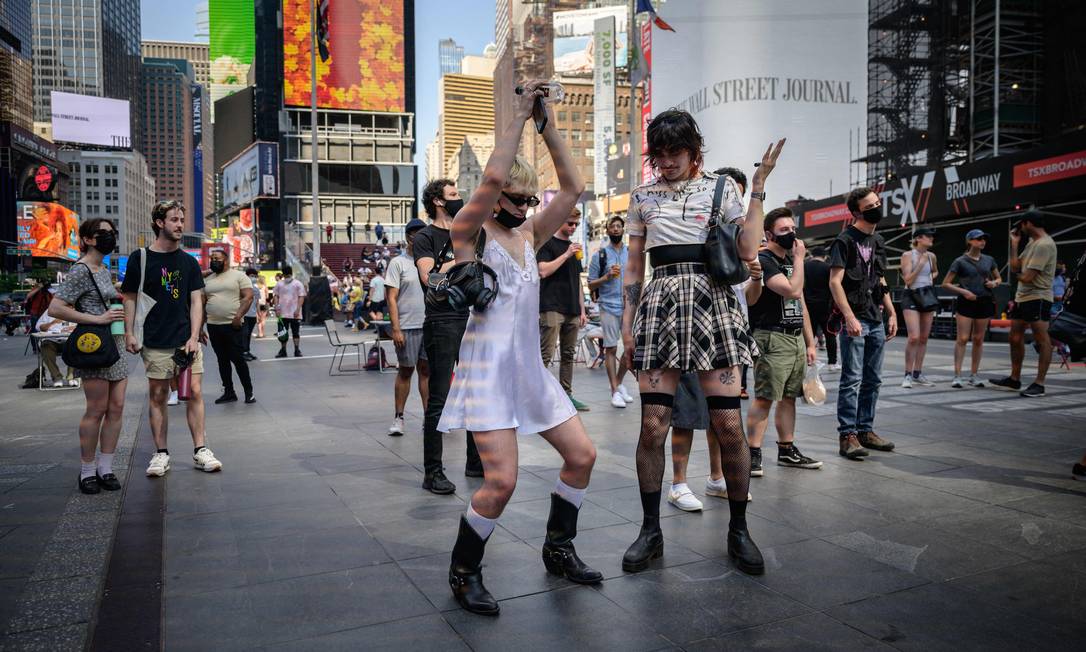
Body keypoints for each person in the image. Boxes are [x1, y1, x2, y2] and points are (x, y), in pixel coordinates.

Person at [440, 80, 600, 616]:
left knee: (582, 456)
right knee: (501, 482)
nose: (526, 205)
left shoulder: (530, 235)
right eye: (517, 197)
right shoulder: (469, 232)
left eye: (530, 199)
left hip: (529, 369)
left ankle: (558, 548)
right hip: (486, 371)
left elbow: (574, 190)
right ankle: (464, 572)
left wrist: (547, 119)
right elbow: (489, 177)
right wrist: (515, 117)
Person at [620, 108, 785, 577]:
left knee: (729, 426)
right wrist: (626, 325)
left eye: (676, 153)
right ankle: (650, 530)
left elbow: (749, 251)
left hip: (713, 304)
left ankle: (739, 529)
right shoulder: (642, 196)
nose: (667, 162)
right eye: (660, 154)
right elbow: (635, 266)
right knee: (653, 424)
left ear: (695, 151)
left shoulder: (721, 188)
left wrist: (758, 187)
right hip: (659, 303)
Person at [122, 201, 222, 477]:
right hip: (154, 340)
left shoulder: (188, 262)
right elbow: (129, 297)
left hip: (184, 341)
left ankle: (201, 449)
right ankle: (161, 453)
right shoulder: (140, 258)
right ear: (159, 222)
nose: (179, 225)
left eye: (181, 219)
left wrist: (193, 335)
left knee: (196, 393)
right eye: (174, 220)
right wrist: (129, 332)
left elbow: (196, 301)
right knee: (158, 396)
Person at [48, 219, 129, 493]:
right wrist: (98, 318)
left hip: (115, 344)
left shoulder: (103, 268)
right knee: (96, 409)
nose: (109, 237)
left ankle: (106, 467)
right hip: (95, 347)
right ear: (87, 239)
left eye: (111, 232)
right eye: (102, 233)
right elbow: (55, 308)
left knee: (116, 408)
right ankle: (87, 470)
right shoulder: (80, 269)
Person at [414, 178, 483, 493]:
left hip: (472, 318)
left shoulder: (469, 232)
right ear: (438, 201)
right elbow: (431, 278)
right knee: (439, 398)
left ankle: (474, 460)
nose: (460, 198)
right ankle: (433, 472)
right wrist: (464, 261)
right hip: (442, 319)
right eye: (454, 195)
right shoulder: (426, 236)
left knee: (473, 394)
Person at [745, 208, 822, 476]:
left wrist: (810, 342)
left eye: (793, 228)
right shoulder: (764, 260)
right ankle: (752, 454)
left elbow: (800, 304)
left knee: (789, 397)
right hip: (771, 337)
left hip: (794, 337)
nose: (791, 234)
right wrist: (799, 259)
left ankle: (786, 449)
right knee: (766, 397)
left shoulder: (790, 260)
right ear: (769, 234)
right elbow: (792, 289)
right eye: (784, 230)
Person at [828, 187, 898, 460]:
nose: (877, 208)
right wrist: (848, 317)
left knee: (873, 379)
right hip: (854, 319)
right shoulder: (845, 240)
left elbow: (880, 280)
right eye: (870, 205)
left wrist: (891, 312)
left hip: (875, 317)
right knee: (851, 379)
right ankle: (848, 436)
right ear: (856, 212)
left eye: (878, 203)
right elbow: (835, 282)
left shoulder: (878, 240)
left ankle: (866, 430)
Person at [991, 210, 1057, 397]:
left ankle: (1039, 383)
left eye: (1022, 225)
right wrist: (1014, 244)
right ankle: (1014, 379)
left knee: (1042, 339)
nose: (1021, 228)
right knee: (1014, 337)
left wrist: (1014, 277)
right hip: (1022, 298)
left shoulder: (1044, 244)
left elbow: (1027, 277)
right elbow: (1014, 266)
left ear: (1028, 223)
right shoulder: (1031, 243)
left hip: (1038, 297)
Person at [538, 207, 589, 411]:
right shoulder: (547, 243)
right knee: (545, 355)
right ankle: (538, 398)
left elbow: (577, 281)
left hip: (572, 309)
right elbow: (542, 270)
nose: (573, 227)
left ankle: (566, 395)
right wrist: (566, 254)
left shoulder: (574, 248)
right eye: (570, 223)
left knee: (569, 355)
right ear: (559, 220)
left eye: (576, 224)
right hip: (551, 306)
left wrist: (582, 310)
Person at [385, 218, 430, 436]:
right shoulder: (398, 263)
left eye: (422, 233)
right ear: (407, 238)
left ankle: (428, 418)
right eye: (414, 234)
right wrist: (396, 328)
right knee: (405, 371)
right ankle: (399, 418)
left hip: (429, 325)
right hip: (407, 326)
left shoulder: (432, 262)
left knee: (426, 372)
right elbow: (391, 298)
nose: (418, 237)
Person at [943, 229, 1001, 388]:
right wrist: (964, 291)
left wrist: (994, 283)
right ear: (969, 241)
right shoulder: (960, 261)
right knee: (962, 338)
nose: (982, 241)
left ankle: (974, 375)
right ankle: (957, 376)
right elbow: (945, 283)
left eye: (983, 239)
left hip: (984, 300)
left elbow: (998, 278)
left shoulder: (989, 260)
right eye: (978, 239)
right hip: (966, 301)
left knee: (978, 339)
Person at [587, 216, 633, 408]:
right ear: (607, 231)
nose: (615, 229)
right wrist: (606, 277)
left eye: (618, 226)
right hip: (608, 305)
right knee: (611, 348)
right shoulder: (600, 255)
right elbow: (590, 283)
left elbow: (636, 277)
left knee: (631, 347)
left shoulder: (631, 253)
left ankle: (619, 383)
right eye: (612, 227)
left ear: (623, 229)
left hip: (628, 306)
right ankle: (614, 391)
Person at [203, 249, 255, 404]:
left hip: (234, 325)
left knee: (238, 359)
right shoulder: (208, 279)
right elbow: (202, 302)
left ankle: (248, 392)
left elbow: (248, 297)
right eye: (211, 258)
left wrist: (238, 316)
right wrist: (200, 328)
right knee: (222, 360)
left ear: (226, 260)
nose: (213, 261)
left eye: (216, 258)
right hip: (213, 325)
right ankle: (229, 392)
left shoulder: (239, 276)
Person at [900, 226, 939, 387]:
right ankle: (907, 374)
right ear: (918, 238)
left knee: (923, 338)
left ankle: (918, 373)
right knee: (914, 337)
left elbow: (936, 272)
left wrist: (930, 277)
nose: (931, 238)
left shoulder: (932, 256)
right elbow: (908, 280)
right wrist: (920, 265)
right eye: (927, 236)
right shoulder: (908, 255)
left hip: (927, 295)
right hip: (911, 295)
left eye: (932, 236)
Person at [36, 312, 77, 387]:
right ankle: (57, 377)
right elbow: (39, 327)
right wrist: (52, 322)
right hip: (52, 340)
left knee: (76, 346)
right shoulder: (49, 312)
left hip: (69, 340)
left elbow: (86, 325)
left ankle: (72, 376)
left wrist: (75, 327)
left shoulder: (77, 311)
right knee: (45, 346)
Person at [273, 266, 306, 358]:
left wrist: (298, 309)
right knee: (283, 333)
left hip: (294, 313)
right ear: (283, 274)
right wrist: (277, 308)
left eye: (288, 274)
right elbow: (276, 296)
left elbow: (301, 296)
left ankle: (297, 350)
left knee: (295, 332)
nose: (287, 276)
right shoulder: (279, 284)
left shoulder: (298, 284)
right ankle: (283, 351)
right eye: (285, 275)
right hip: (283, 313)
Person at [241, 268, 261, 361]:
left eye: (255, 276)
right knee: (244, 334)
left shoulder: (256, 289)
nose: (254, 278)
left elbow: (257, 302)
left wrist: (259, 314)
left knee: (248, 334)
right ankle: (243, 352)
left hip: (252, 315)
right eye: (252, 276)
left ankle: (247, 351)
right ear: (247, 276)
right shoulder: (242, 287)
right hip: (244, 314)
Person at [254, 274, 269, 338]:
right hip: (264, 304)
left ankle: (259, 333)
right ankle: (263, 333)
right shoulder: (265, 287)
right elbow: (267, 296)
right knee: (263, 319)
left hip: (257, 304)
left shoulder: (255, 286)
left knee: (258, 319)